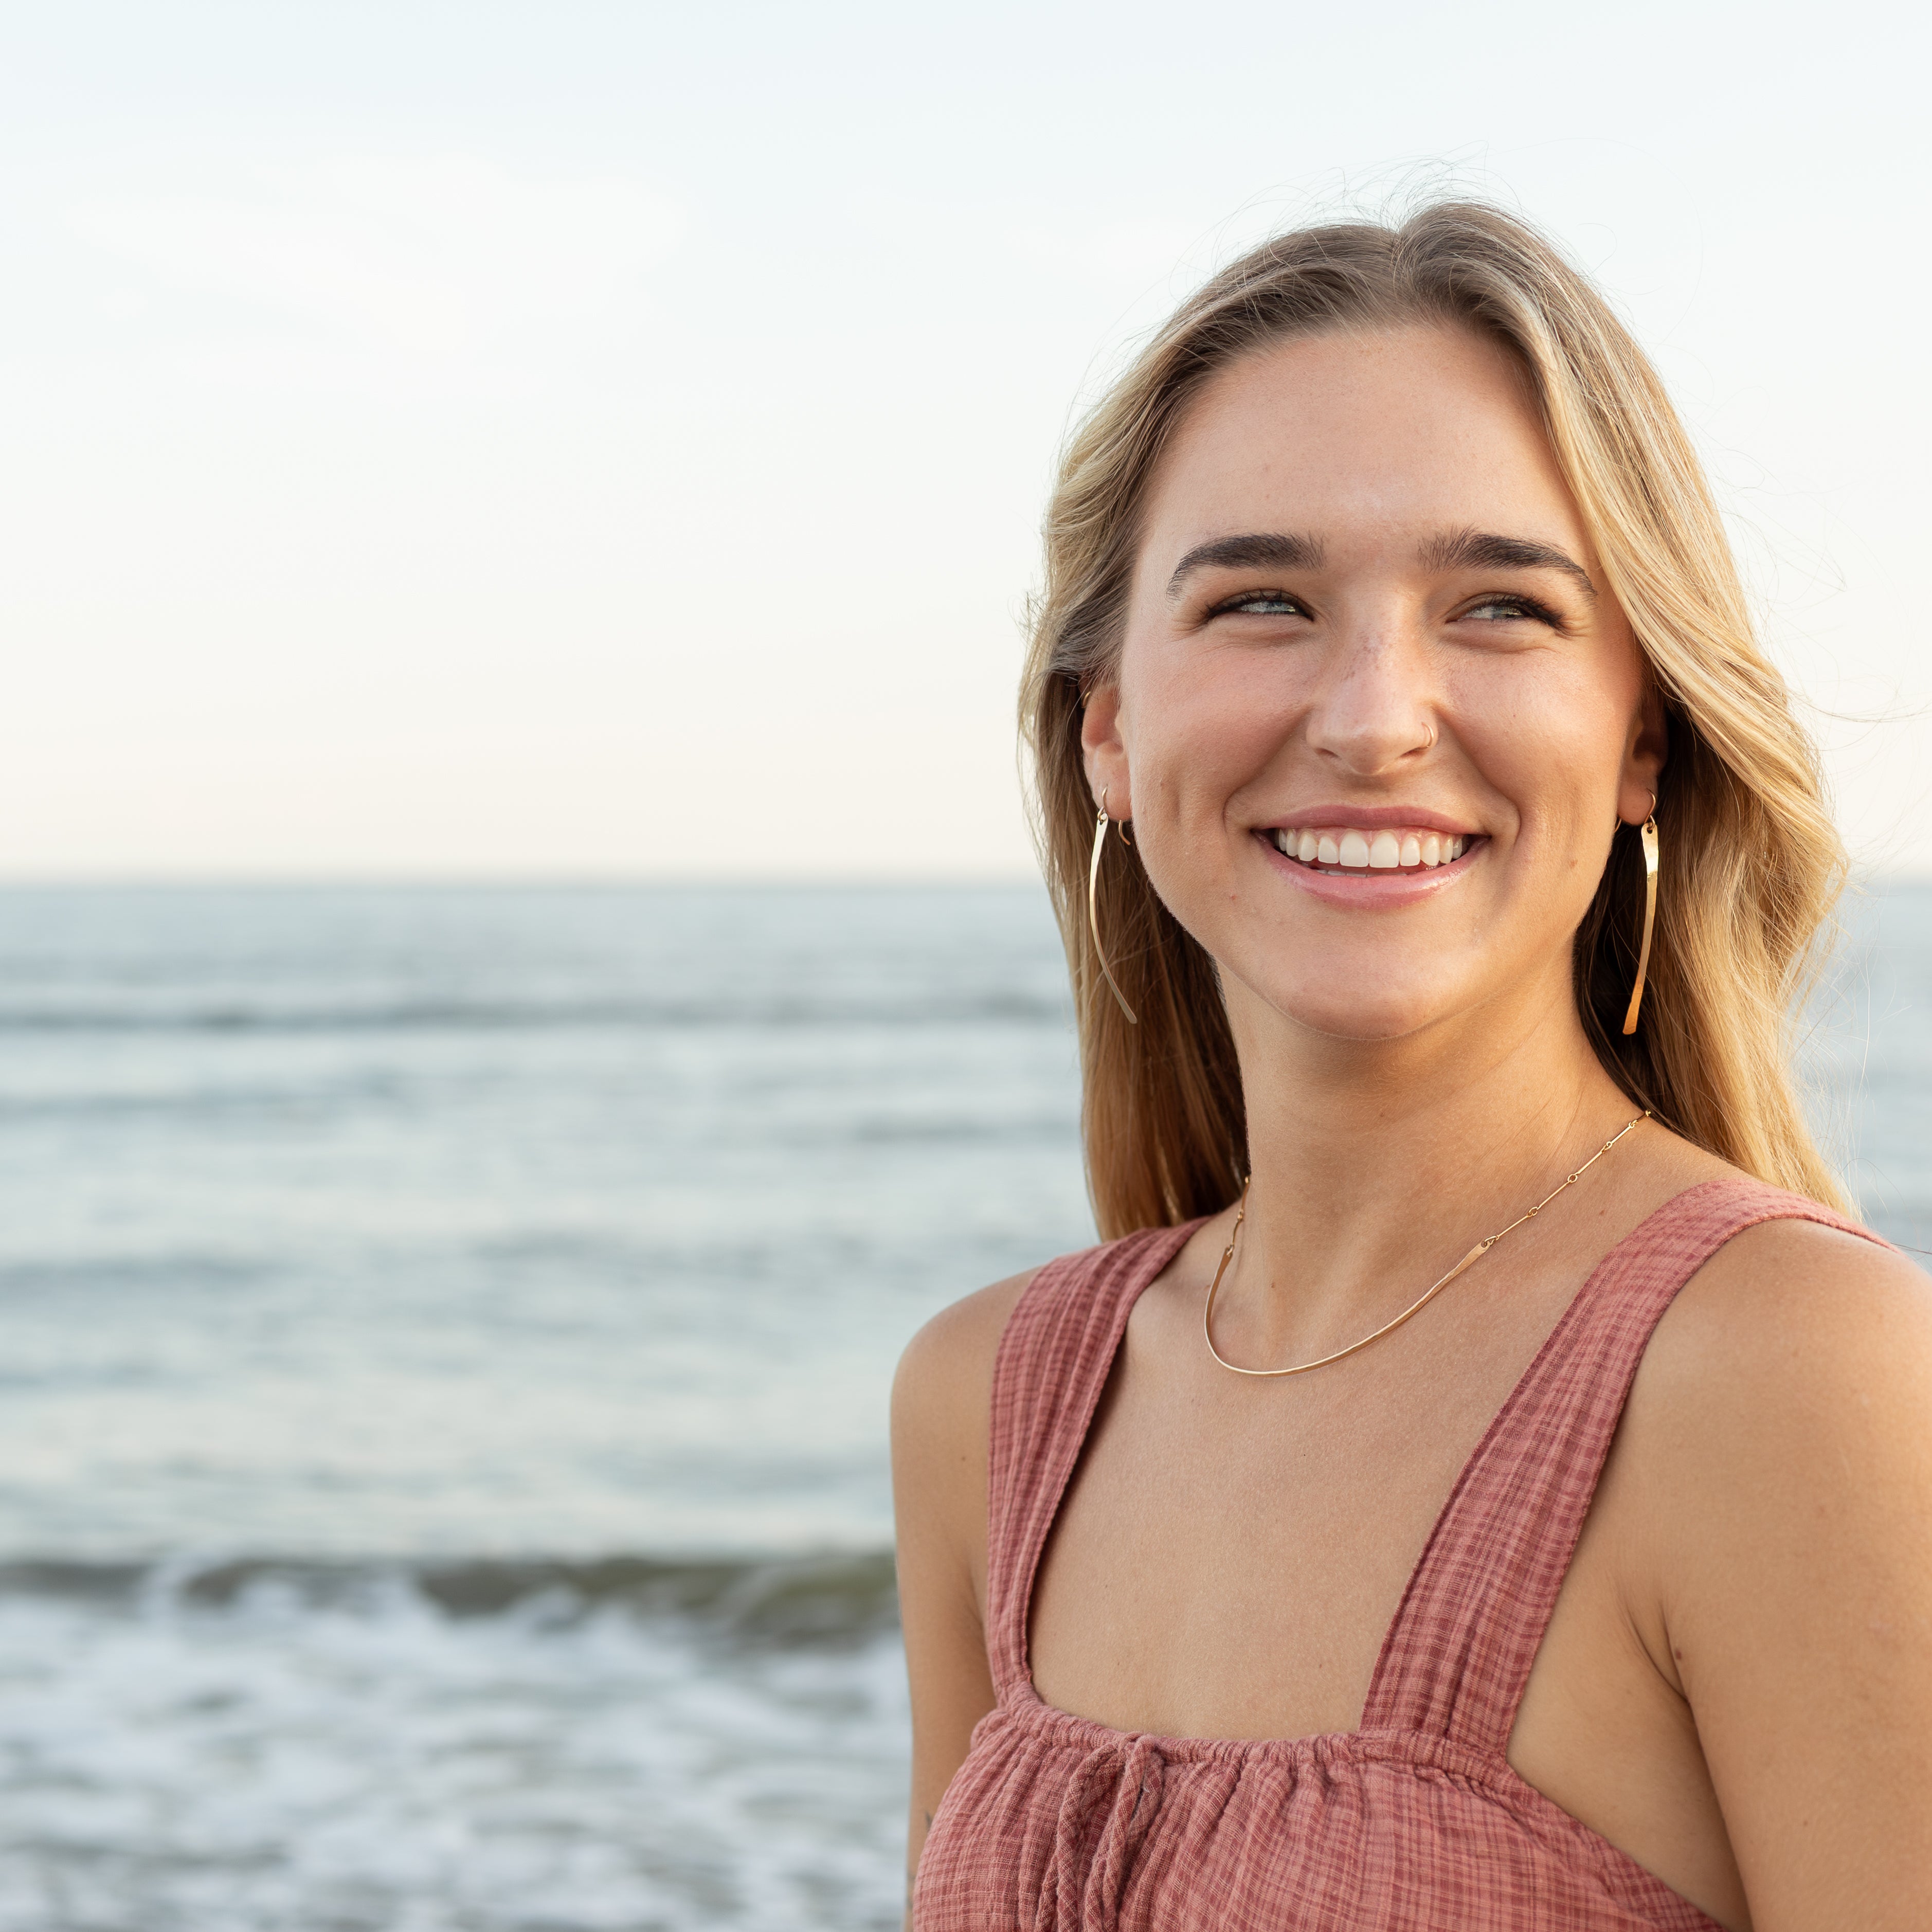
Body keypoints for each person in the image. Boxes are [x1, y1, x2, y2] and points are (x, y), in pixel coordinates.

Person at [890, 203, 1932, 1931]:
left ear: (1644, 736)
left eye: (1502, 609)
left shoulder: (1799, 1380)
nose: (1374, 714)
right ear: (1109, 727)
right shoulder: (988, 1403)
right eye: (1262, 600)